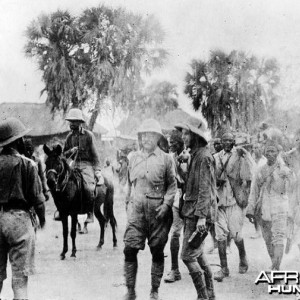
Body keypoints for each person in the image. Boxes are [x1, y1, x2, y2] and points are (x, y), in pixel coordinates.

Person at [123, 118, 176, 300]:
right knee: (129, 249)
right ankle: (130, 291)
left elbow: (172, 186)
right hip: (136, 212)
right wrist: (128, 201)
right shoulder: (133, 158)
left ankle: (154, 291)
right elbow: (130, 183)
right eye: (143, 135)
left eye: (150, 135)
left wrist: (166, 205)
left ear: (157, 137)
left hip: (158, 213)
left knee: (157, 251)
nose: (146, 138)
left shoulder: (166, 159)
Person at [0, 117, 46, 300]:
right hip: (19, 220)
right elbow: (38, 200)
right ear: (18, 141)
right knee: (19, 278)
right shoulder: (28, 164)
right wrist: (42, 220)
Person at [174, 121, 217, 300]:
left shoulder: (203, 157)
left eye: (186, 134)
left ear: (195, 136)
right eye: (182, 134)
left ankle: (202, 296)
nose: (182, 137)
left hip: (198, 214)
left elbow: (204, 189)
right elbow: (189, 185)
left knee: (187, 256)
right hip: (193, 211)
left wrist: (201, 218)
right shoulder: (196, 155)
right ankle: (210, 293)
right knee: (197, 253)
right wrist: (181, 166)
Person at [246, 139, 293, 270]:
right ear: (264, 153)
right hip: (264, 209)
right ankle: (274, 262)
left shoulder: (284, 170)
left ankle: (276, 268)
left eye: (273, 151)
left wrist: (286, 175)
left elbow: (292, 187)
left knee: (278, 238)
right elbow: (254, 191)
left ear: (278, 152)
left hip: (280, 208)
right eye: (267, 151)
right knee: (268, 240)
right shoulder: (260, 170)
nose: (270, 154)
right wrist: (250, 209)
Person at [213, 132, 254, 282]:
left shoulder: (239, 156)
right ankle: (224, 268)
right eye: (225, 140)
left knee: (236, 234)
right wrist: (217, 180)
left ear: (233, 142)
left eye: (230, 141)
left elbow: (249, 173)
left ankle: (242, 256)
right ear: (221, 142)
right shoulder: (216, 157)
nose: (227, 143)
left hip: (234, 201)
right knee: (220, 236)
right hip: (219, 201)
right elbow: (211, 175)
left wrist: (246, 154)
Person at [63, 108, 102, 223]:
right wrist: (71, 150)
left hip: (86, 165)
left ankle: (90, 212)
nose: (71, 124)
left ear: (80, 122)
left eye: (74, 121)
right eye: (70, 121)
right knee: (62, 184)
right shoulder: (69, 137)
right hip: (73, 164)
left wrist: (97, 170)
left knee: (88, 187)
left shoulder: (88, 135)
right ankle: (63, 210)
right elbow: (63, 154)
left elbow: (95, 155)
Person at [164, 130, 185, 283]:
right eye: (170, 143)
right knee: (175, 233)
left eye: (174, 143)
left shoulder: (190, 156)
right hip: (177, 197)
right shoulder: (169, 158)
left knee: (194, 235)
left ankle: (197, 266)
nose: (171, 145)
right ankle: (174, 269)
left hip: (190, 198)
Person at [250, 143, 267, 239]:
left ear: (262, 149)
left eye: (258, 147)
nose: (256, 149)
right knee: (254, 209)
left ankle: (265, 230)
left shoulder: (265, 161)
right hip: (253, 187)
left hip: (264, 188)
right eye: (254, 147)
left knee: (264, 209)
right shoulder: (251, 160)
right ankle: (257, 231)